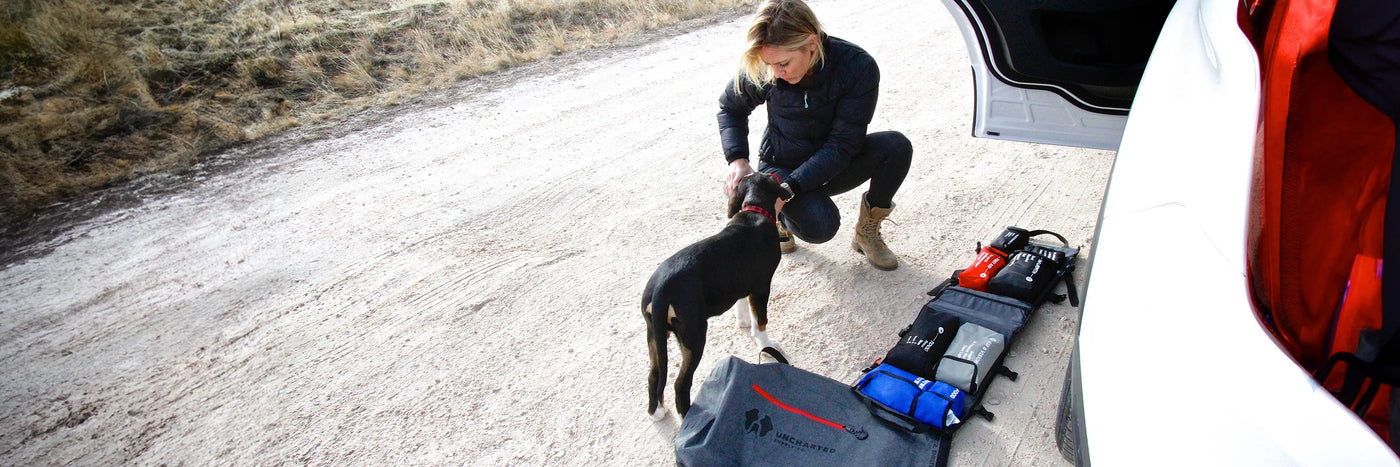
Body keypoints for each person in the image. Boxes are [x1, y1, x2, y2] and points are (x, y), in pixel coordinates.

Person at [719, 0, 912, 270]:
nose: (776, 74)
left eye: (784, 63)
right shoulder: (770, 65)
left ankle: (866, 233)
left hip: (836, 163)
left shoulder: (857, 66)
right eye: (770, 64)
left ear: (811, 43)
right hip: (782, 164)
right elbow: (730, 108)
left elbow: (843, 144)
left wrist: (787, 191)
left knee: (896, 147)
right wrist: (737, 159)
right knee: (821, 226)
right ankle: (780, 220)